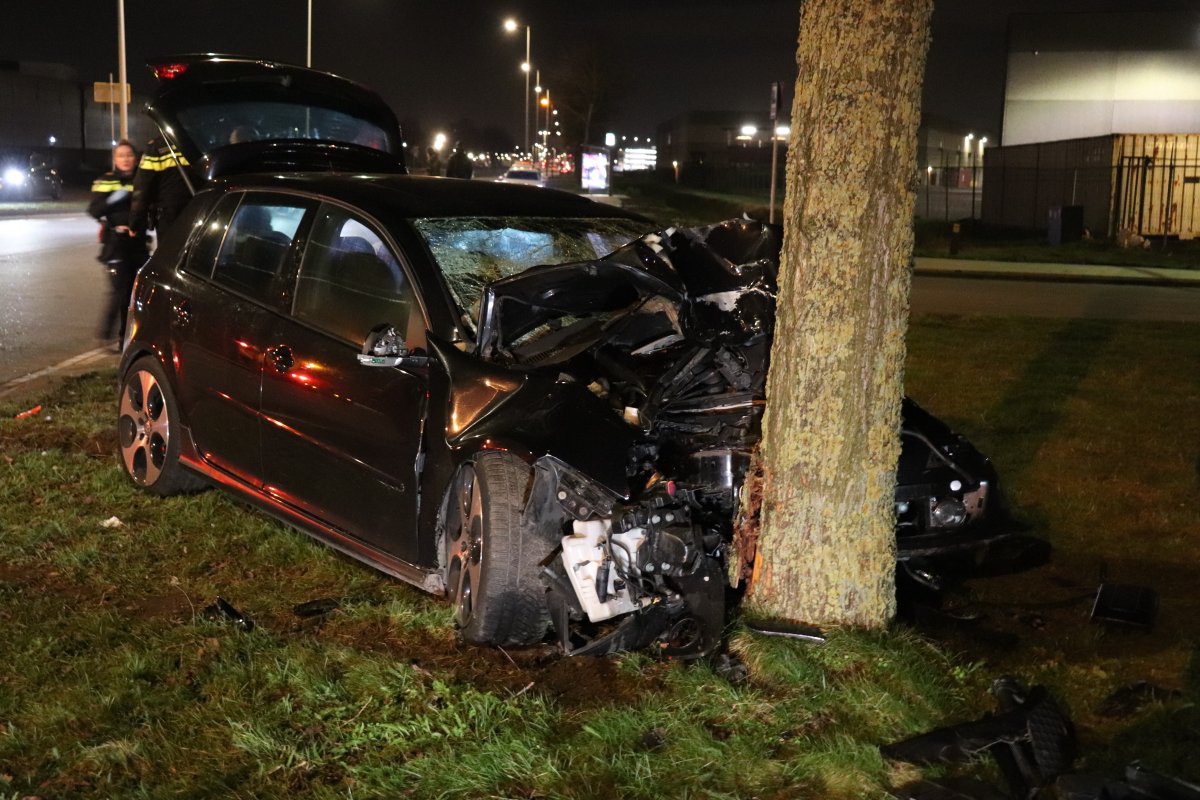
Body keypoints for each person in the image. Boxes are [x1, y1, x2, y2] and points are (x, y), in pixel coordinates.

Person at [89, 140, 149, 345]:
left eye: (129, 155)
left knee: (138, 292)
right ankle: (109, 333)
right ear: (114, 160)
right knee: (121, 291)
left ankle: (127, 336)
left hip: (138, 244)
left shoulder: (142, 180)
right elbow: (94, 210)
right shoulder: (106, 181)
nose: (126, 159)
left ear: (136, 158)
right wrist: (113, 199)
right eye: (121, 155)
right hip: (115, 246)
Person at [130, 135, 194, 238]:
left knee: (170, 252)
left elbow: (142, 188)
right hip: (201, 209)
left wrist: (135, 223)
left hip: (169, 215)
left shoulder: (156, 147)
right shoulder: (197, 142)